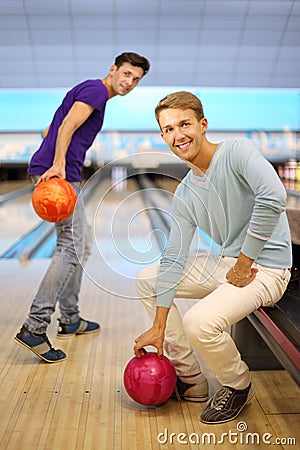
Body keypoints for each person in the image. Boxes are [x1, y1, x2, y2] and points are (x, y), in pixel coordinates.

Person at [134, 91, 292, 424]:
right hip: (230, 266)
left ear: (203, 125)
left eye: (185, 124)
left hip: (267, 269)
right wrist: (159, 326)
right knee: (148, 278)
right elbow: (174, 257)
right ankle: (190, 378)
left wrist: (245, 262)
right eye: (168, 129)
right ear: (163, 136)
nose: (178, 135)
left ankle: (238, 385)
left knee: (198, 323)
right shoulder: (187, 192)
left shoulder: (236, 152)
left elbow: (274, 196)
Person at [15, 52, 150, 363]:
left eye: (136, 79)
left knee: (82, 244)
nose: (129, 82)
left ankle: (71, 317)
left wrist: (51, 155)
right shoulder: (97, 90)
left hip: (59, 173)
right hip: (60, 176)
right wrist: (58, 163)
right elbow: (65, 127)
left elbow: (50, 130)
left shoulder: (93, 95)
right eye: (126, 74)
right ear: (113, 70)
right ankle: (35, 327)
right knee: (71, 246)